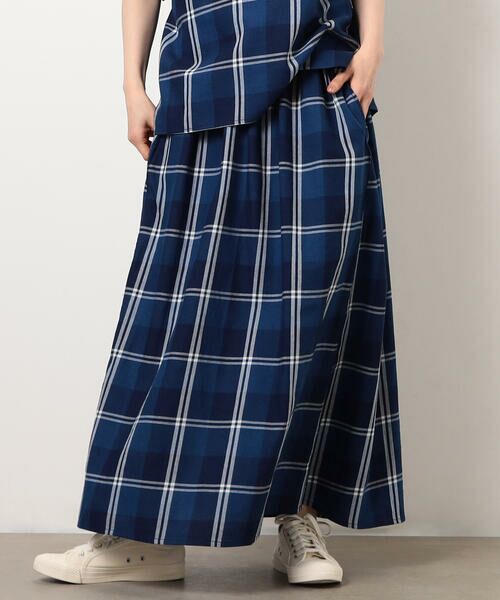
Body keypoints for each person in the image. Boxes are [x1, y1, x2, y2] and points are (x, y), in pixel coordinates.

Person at [34, 0, 404, 586]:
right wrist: (131, 84)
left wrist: (373, 45)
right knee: (176, 308)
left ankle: (302, 516)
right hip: (206, 74)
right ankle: (143, 535)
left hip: (318, 70)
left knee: (315, 311)